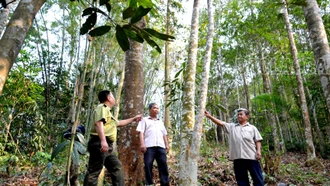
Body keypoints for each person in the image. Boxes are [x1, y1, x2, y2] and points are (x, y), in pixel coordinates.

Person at [84, 90, 142, 186]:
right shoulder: (102, 107)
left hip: (107, 147)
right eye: (113, 96)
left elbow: (118, 123)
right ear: (109, 98)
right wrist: (103, 141)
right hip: (100, 144)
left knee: (117, 167)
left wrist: (133, 119)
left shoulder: (108, 112)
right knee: (94, 171)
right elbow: (99, 123)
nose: (114, 98)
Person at [204, 108, 264, 186]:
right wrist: (210, 116)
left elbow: (257, 140)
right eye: (238, 114)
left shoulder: (252, 128)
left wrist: (258, 151)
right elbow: (221, 123)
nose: (239, 116)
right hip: (238, 157)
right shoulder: (232, 127)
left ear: (247, 116)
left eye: (241, 114)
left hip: (251, 157)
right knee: (241, 180)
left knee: (257, 178)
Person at [136, 103, 170, 186]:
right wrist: (142, 144)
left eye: (158, 108)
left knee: (163, 166)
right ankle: (149, 184)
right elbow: (141, 132)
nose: (156, 109)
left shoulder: (160, 122)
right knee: (148, 165)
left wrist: (167, 145)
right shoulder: (144, 120)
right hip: (149, 147)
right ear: (150, 109)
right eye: (154, 108)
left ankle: (165, 184)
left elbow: (164, 134)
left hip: (161, 147)